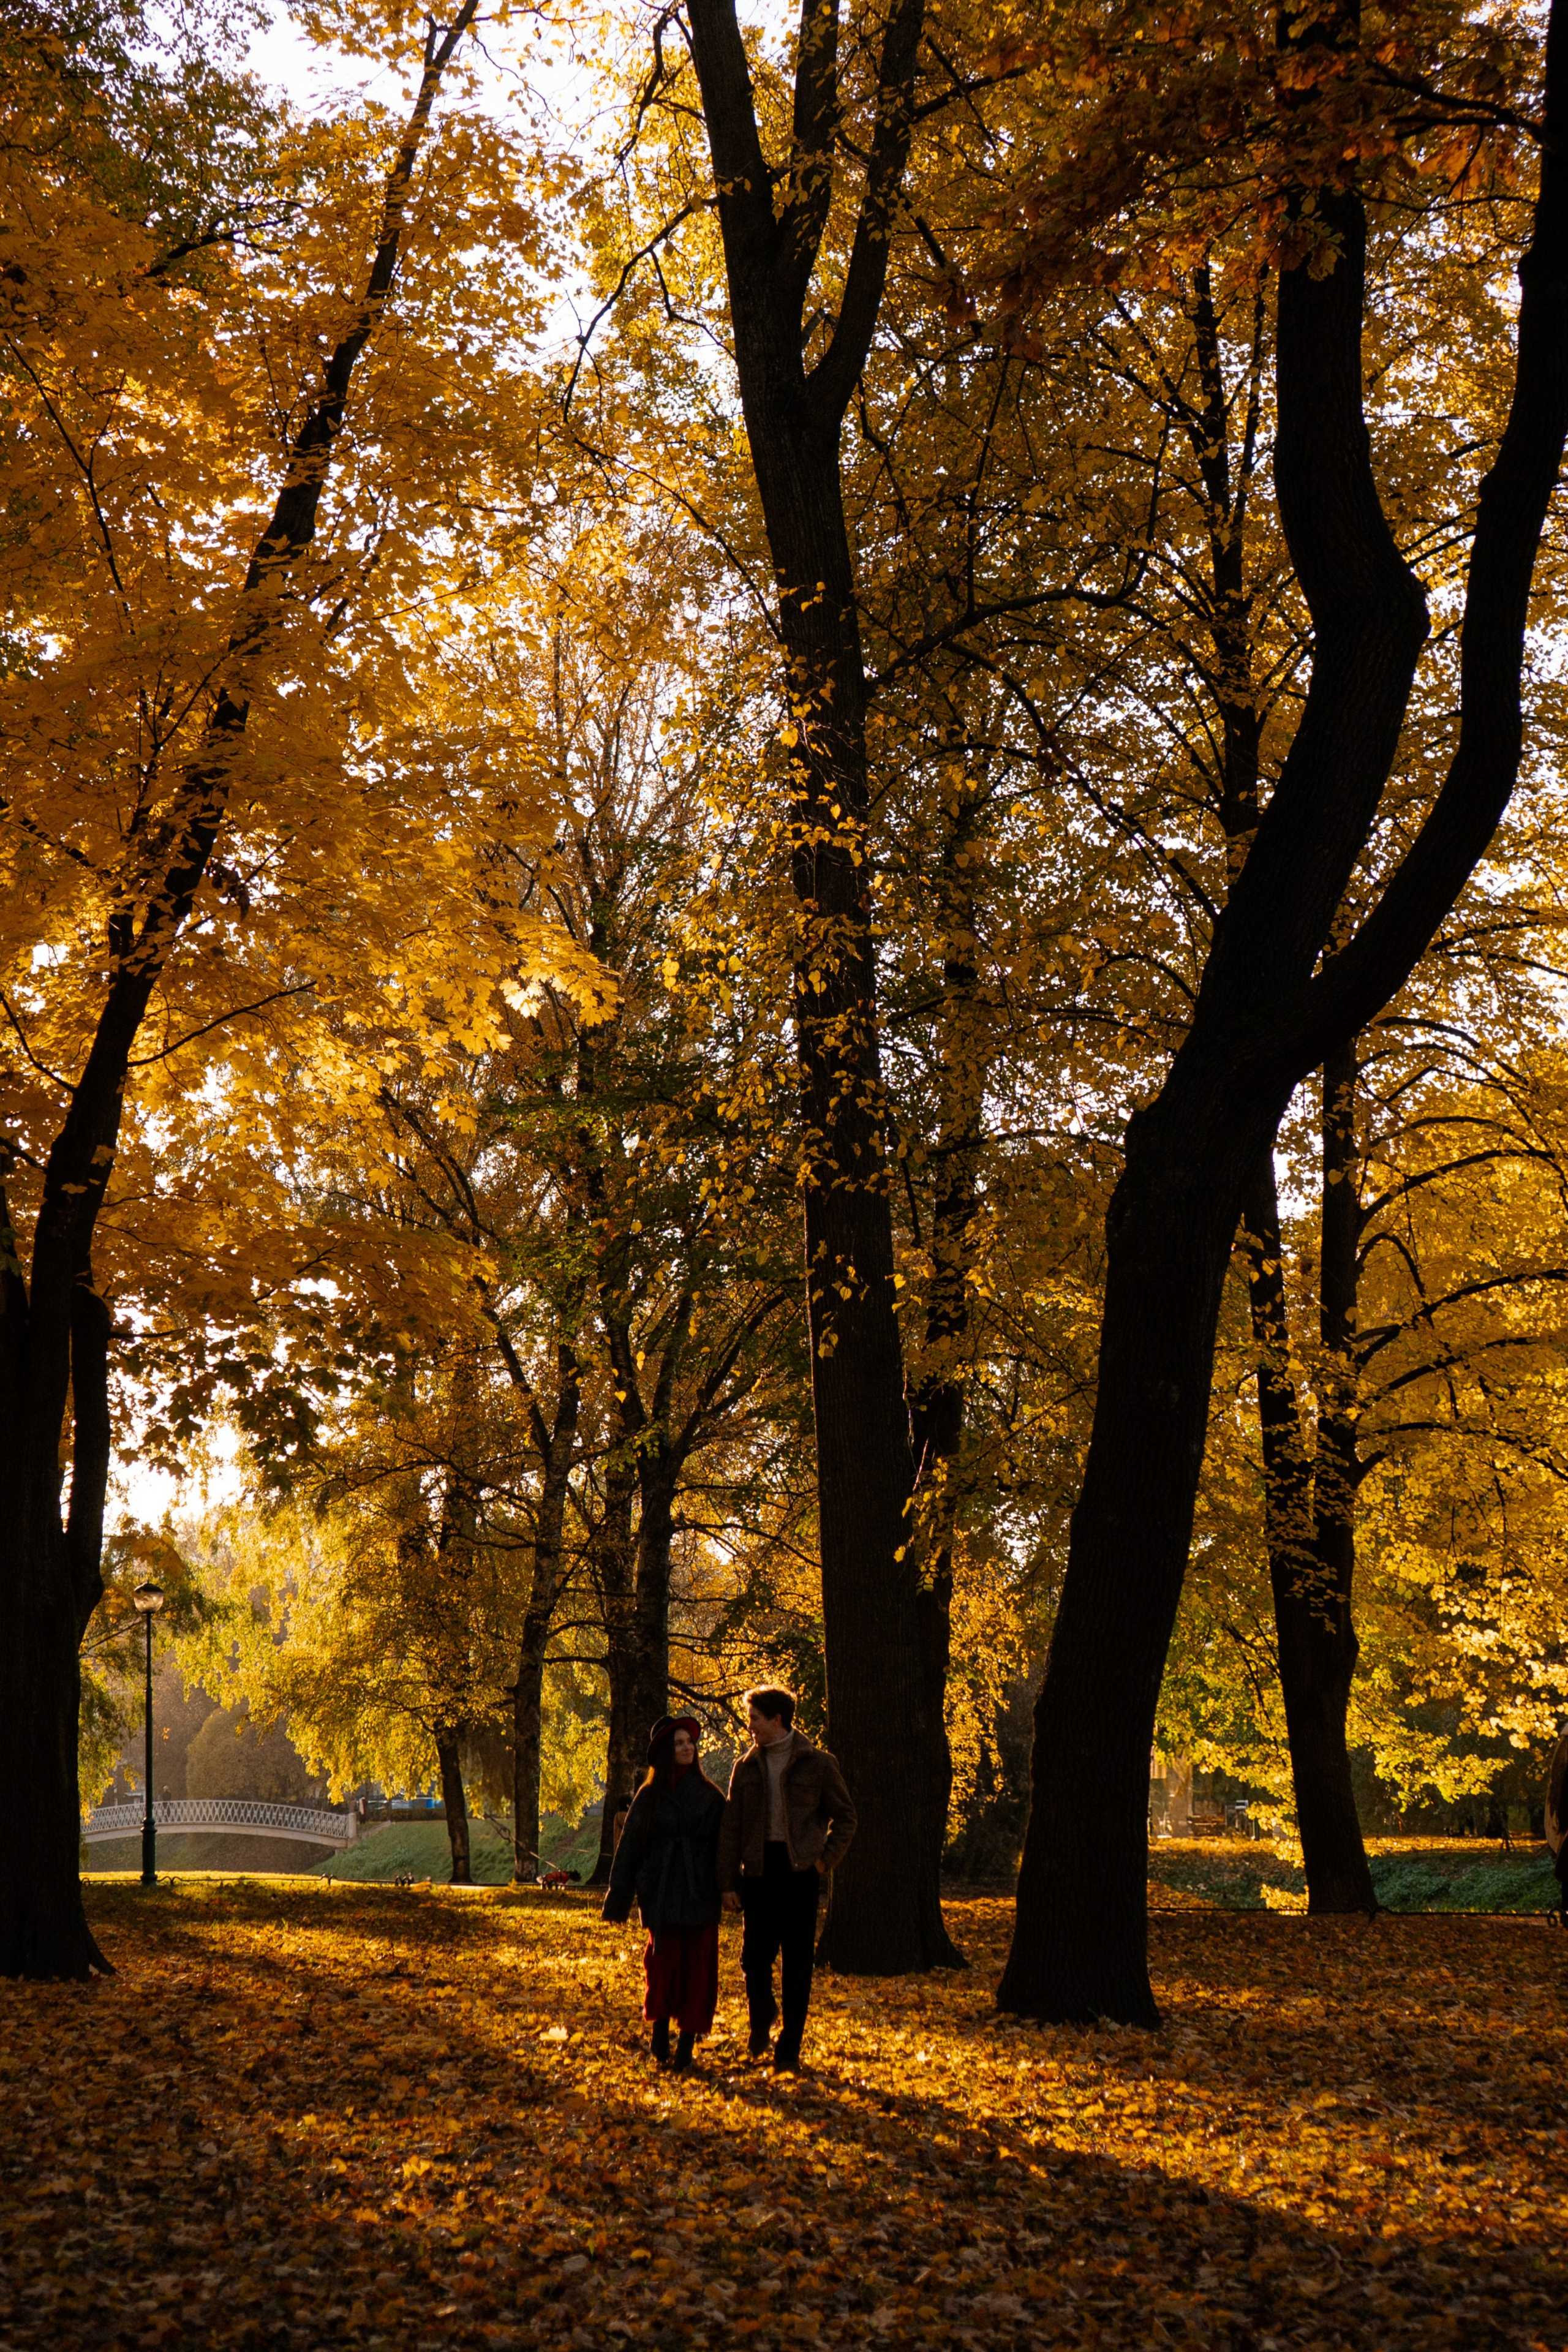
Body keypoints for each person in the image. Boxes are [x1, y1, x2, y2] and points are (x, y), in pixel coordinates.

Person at [717, 1684, 857, 2073]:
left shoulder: (819, 1765)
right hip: (759, 1871)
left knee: (798, 1965)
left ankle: (789, 2050)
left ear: (777, 1720)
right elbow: (731, 1828)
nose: (751, 1728)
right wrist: (727, 1883)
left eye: (755, 1720)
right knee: (753, 1960)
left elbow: (846, 1817)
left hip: (800, 1874)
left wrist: (825, 1861)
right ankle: (762, 2017)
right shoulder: (744, 1768)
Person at [601, 1716, 726, 2070]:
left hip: (700, 1890)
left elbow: (725, 1848)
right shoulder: (649, 1796)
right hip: (662, 1888)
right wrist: (619, 1900)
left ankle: (687, 2042)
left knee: (698, 1968)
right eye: (679, 1743)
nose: (687, 1748)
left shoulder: (711, 1796)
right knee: (662, 1964)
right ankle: (659, 2032)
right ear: (665, 1753)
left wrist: (731, 1889)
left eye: (690, 1742)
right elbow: (629, 1848)